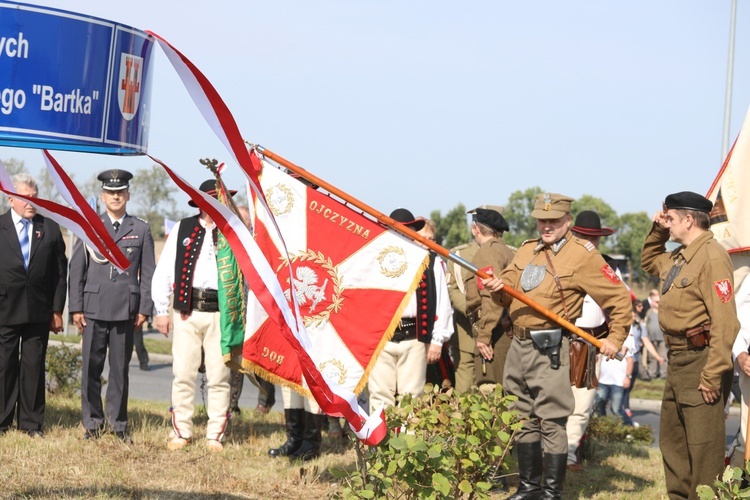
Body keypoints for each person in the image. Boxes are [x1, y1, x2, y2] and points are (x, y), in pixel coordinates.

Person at [482, 193, 632, 500]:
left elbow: (618, 299)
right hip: (518, 345)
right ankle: (529, 488)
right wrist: (497, 288)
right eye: (542, 220)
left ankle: (551, 493)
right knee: (520, 417)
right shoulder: (526, 250)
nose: (546, 227)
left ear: (567, 220)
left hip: (550, 348)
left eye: (553, 221)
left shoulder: (583, 255)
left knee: (551, 420)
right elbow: (507, 291)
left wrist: (615, 338)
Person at [642, 191, 740, 499]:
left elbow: (726, 322)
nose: (666, 223)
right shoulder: (679, 256)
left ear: (688, 219)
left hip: (701, 360)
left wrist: (713, 373)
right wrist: (658, 229)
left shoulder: (712, 256)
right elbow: (648, 261)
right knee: (673, 442)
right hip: (678, 358)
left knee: (703, 450)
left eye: (670, 219)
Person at [69, 169, 155, 443]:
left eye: (121, 192)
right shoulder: (90, 227)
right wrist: (76, 308)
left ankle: (118, 424)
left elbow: (148, 273)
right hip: (93, 308)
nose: (116, 197)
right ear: (103, 196)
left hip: (125, 310)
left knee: (119, 370)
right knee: (91, 369)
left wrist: (144, 308)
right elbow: (77, 269)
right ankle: (92, 423)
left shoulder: (140, 228)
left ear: (128, 195)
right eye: (111, 193)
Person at [152, 179, 236, 453]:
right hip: (187, 311)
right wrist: (162, 309)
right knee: (183, 373)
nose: (216, 203)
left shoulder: (234, 232)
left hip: (220, 314)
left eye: (219, 197)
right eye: (211, 198)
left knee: (219, 376)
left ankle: (214, 435)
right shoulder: (183, 228)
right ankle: (182, 430)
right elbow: (165, 270)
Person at [0, 173, 67, 437]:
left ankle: (30, 423)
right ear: (10, 198)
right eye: (25, 197)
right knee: (4, 365)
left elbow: (60, 272)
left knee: (33, 365)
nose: (31, 202)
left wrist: (57, 310)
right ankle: (2, 421)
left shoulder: (49, 228)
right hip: (5, 307)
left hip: (39, 309)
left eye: (34, 197)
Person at [367, 208, 454, 412]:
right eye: (394, 230)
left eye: (404, 231)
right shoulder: (372, 259)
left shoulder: (431, 261)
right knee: (379, 396)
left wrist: (437, 340)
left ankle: (407, 443)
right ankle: (382, 443)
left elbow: (442, 302)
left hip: (414, 337)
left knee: (411, 398)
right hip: (381, 337)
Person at [564, 210, 621, 471]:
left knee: (583, 403)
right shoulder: (558, 262)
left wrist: (616, 338)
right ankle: (548, 454)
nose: (589, 242)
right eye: (583, 236)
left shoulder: (609, 267)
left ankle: (568, 455)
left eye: (593, 238)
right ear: (573, 235)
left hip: (590, 344)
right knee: (553, 401)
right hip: (559, 341)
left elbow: (620, 308)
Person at [464, 207, 514, 387]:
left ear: (476, 229)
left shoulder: (487, 253)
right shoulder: (505, 251)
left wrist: (484, 335)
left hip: (495, 331)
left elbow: (491, 296)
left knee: (490, 389)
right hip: (500, 327)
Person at [644, 295, 667, 379]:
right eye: (656, 302)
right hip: (651, 338)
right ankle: (652, 374)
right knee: (652, 356)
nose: (658, 304)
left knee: (663, 356)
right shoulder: (649, 312)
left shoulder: (663, 312)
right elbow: (645, 325)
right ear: (652, 302)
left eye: (659, 302)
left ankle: (663, 374)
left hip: (662, 338)